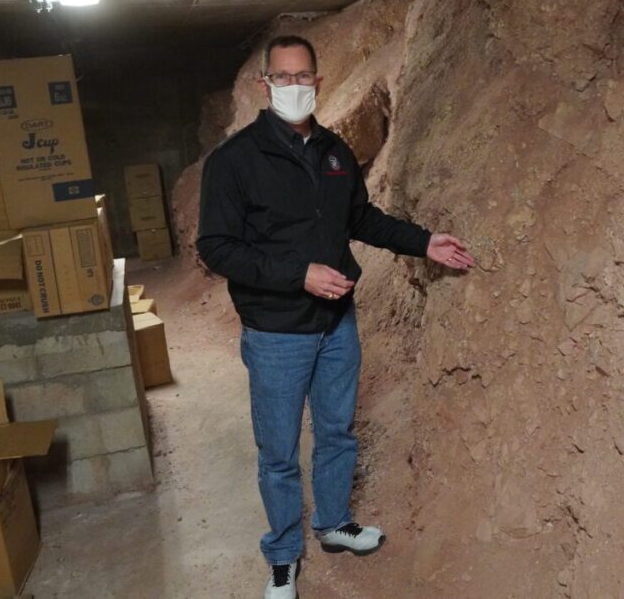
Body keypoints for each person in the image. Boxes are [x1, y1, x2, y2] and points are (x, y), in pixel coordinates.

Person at [196, 35, 475, 599]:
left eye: (304, 77)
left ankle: (331, 523)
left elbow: (362, 219)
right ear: (264, 85)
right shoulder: (235, 162)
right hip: (276, 332)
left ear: (318, 83)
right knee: (277, 454)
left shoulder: (333, 151)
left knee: (336, 432)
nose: (294, 86)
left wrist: (424, 243)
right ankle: (282, 555)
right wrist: (298, 274)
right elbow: (218, 248)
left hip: (336, 326)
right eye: (283, 77)